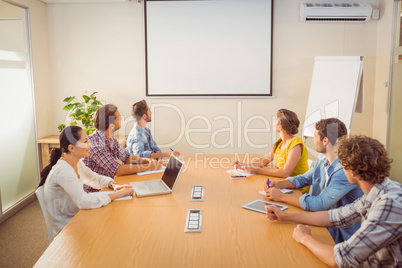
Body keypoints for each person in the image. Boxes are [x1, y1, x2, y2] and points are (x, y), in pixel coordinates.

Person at [265, 135, 402, 267]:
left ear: (352, 171)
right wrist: (285, 216)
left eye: (342, 165)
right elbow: (335, 216)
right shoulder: (377, 191)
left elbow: (342, 259)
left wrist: (305, 238)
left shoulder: (388, 204)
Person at [264, 118, 363, 243]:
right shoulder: (323, 157)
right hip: (319, 219)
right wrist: (279, 184)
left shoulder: (344, 170)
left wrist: (282, 197)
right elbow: (306, 178)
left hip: (337, 234)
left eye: (315, 136)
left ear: (325, 141)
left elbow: (320, 204)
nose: (313, 139)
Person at [39, 125, 134, 234]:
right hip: (68, 227)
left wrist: (114, 185)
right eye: (85, 141)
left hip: (79, 216)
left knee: (116, 220)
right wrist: (118, 194)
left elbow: (95, 178)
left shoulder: (77, 163)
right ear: (72, 148)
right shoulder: (63, 171)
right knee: (114, 226)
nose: (90, 144)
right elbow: (83, 201)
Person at [83, 104, 162, 187]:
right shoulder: (95, 145)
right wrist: (148, 166)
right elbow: (118, 170)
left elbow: (126, 157)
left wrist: (148, 161)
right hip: (97, 191)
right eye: (118, 117)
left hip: (110, 185)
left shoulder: (111, 139)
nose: (121, 118)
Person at [235, 109, 310, 193]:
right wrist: (246, 166)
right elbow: (265, 160)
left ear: (280, 127)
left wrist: (257, 170)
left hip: (297, 190)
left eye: (275, 120)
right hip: (284, 184)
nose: (273, 122)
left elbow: (285, 172)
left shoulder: (296, 144)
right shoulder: (280, 142)